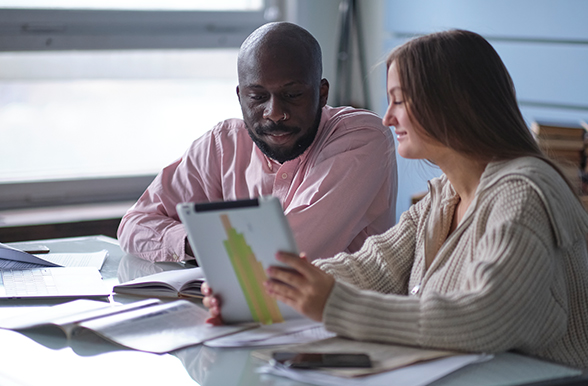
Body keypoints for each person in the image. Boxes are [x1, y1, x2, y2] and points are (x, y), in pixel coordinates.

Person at [204, 29, 588, 368]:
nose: (387, 118)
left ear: (451, 104)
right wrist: (262, 291)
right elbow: (374, 268)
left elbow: (484, 319)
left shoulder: (523, 192)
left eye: (398, 101)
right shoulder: (444, 196)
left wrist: (332, 305)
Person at [117, 22, 397, 263]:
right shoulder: (222, 146)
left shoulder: (362, 136)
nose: (274, 112)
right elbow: (134, 225)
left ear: (322, 94)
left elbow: (288, 252)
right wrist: (194, 241)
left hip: (344, 322)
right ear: (240, 97)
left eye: (293, 95)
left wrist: (209, 236)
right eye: (258, 97)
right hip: (243, 315)